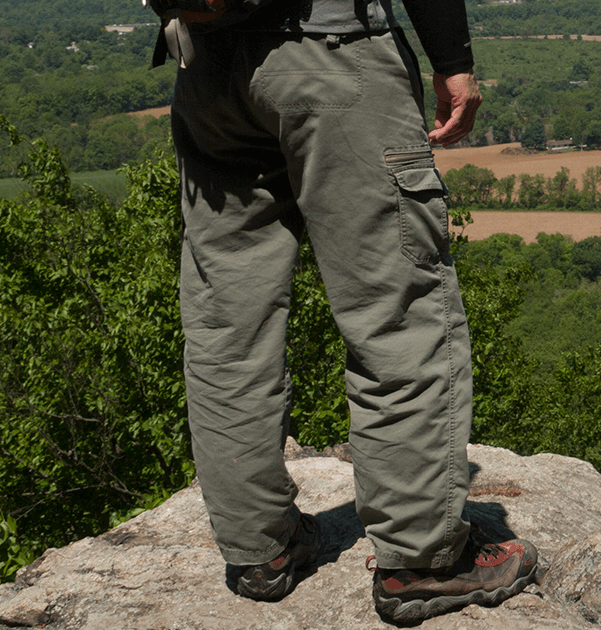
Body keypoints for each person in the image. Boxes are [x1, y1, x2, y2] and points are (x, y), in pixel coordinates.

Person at [151, 0, 541, 622]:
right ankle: (420, 560)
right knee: (396, 313)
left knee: (228, 323)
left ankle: (259, 550)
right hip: (334, 57)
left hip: (207, 66)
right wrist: (453, 62)